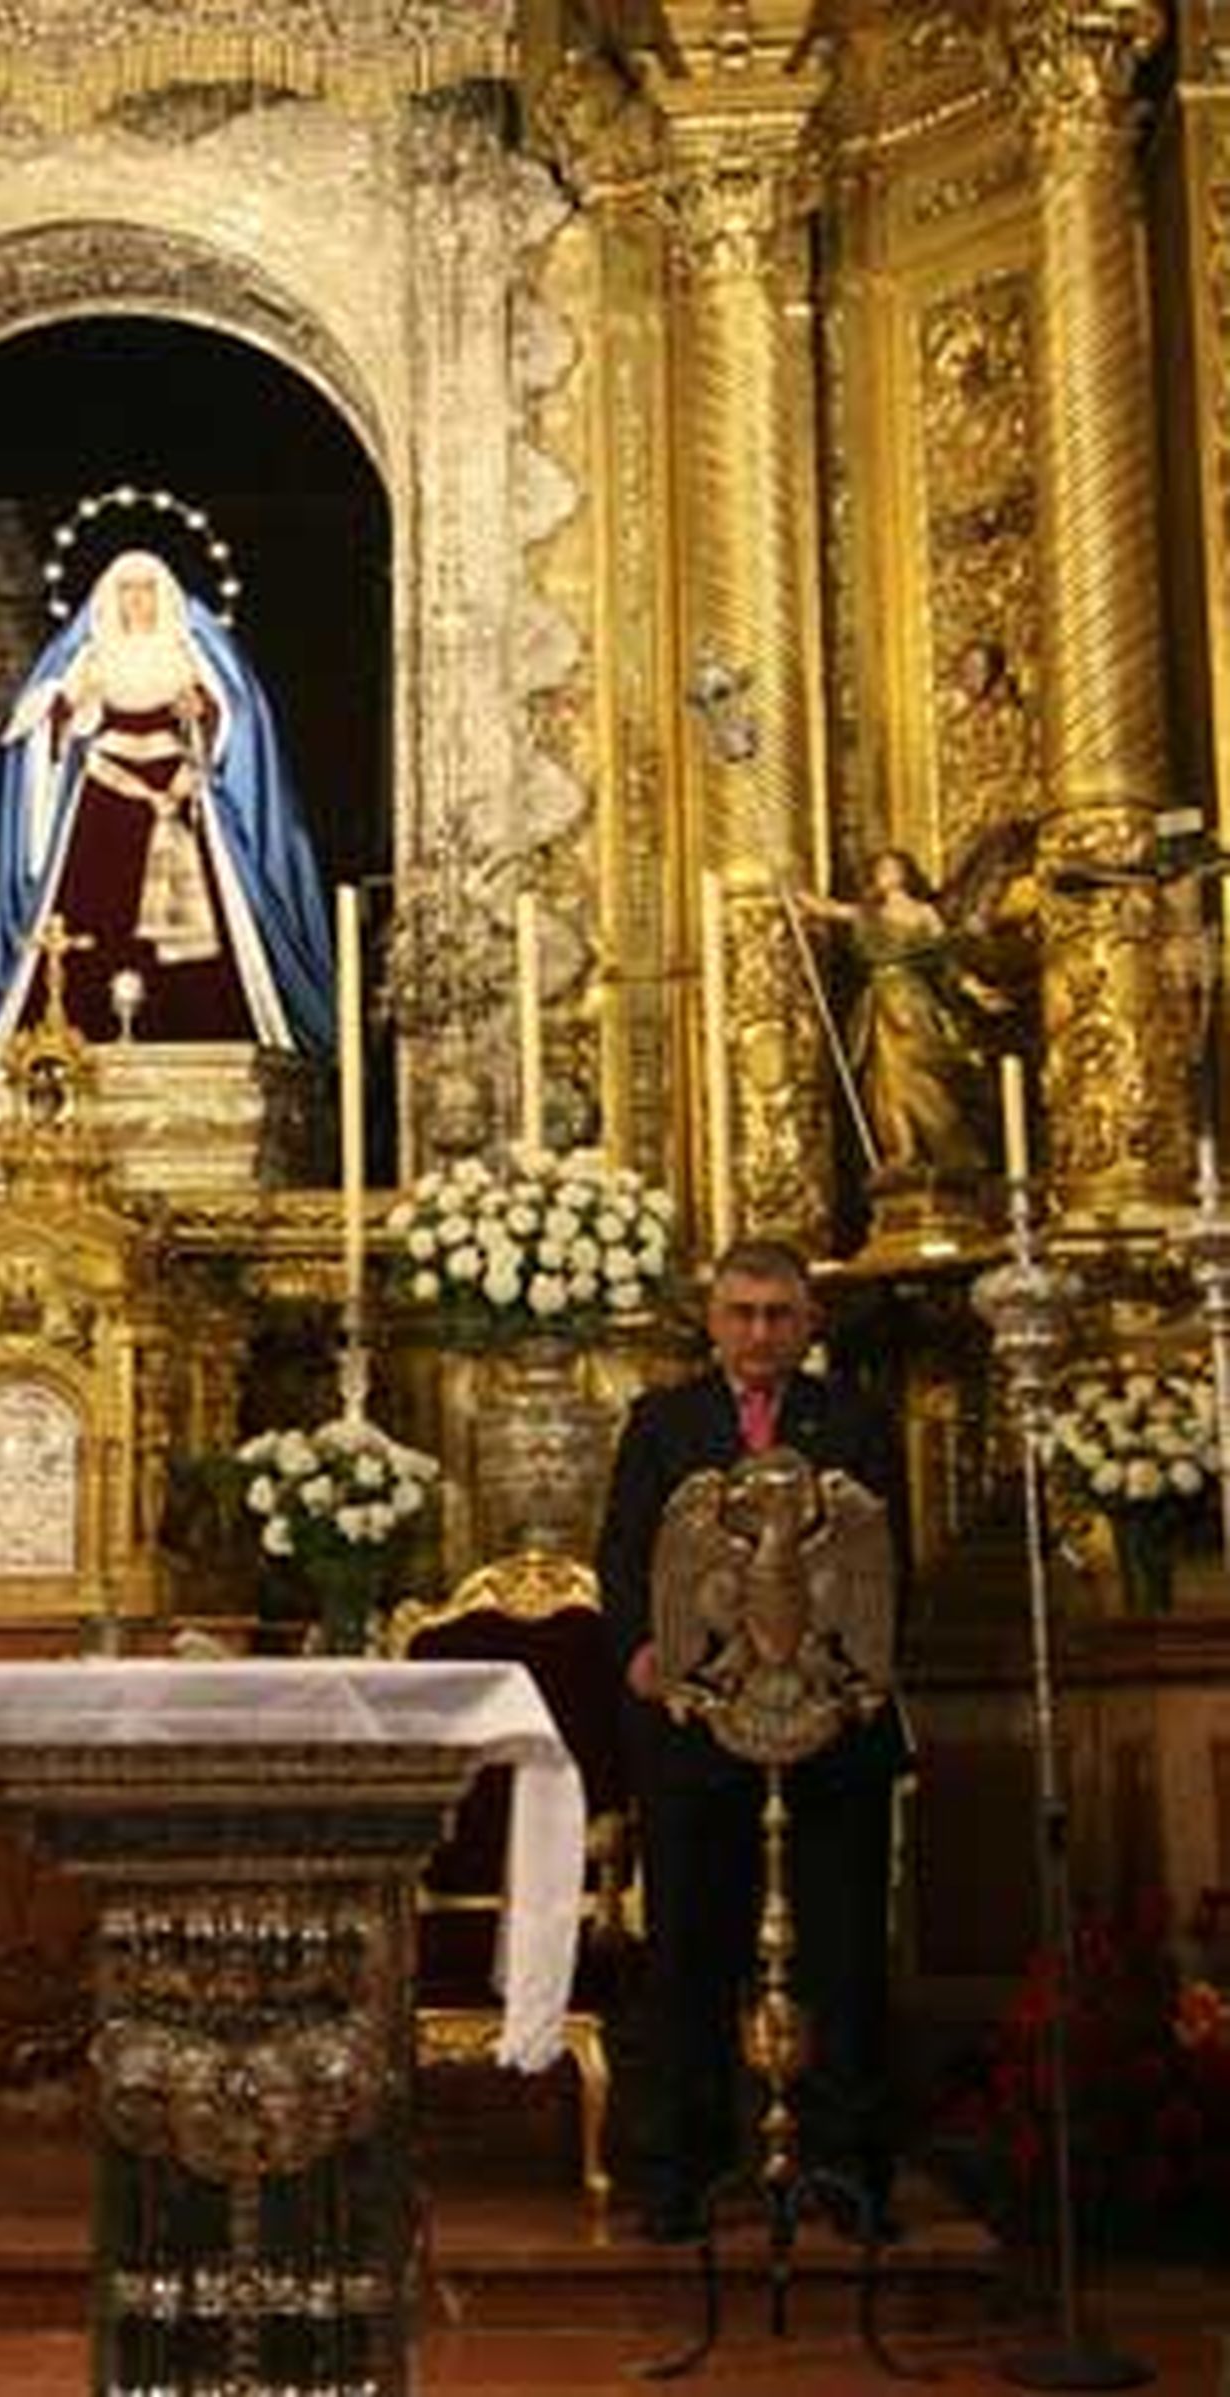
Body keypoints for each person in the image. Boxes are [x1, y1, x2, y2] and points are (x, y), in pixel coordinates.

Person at [596, 1237, 912, 2241]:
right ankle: (680, 2174)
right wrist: (643, 1651)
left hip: (829, 1732)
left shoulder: (854, 1422)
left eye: (779, 1314)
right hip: (695, 1731)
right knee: (689, 1949)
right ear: (712, 1319)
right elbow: (621, 1553)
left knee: (843, 1951)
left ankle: (845, 2169)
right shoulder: (663, 1423)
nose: (760, 1332)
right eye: (741, 1312)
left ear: (808, 1322)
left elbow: (890, 1565)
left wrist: (850, 1670)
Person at [0, 549, 335, 1057]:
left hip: (177, 792)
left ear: (163, 596)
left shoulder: (189, 652)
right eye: (127, 590)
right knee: (91, 915)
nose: (137, 600)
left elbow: (233, 719)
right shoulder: (93, 656)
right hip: (105, 796)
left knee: (202, 937)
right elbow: (49, 723)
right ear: (111, 599)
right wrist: (62, 711)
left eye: (147, 589)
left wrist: (203, 715)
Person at [801, 846, 1017, 1176]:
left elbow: (947, 961)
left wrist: (976, 991)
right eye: (882, 869)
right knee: (888, 1082)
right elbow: (828, 910)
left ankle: (946, 1151)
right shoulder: (867, 914)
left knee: (924, 1072)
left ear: (907, 873)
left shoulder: (925, 914)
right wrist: (783, 884)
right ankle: (903, 1150)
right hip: (881, 1005)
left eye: (894, 867)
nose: (888, 873)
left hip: (915, 1003)